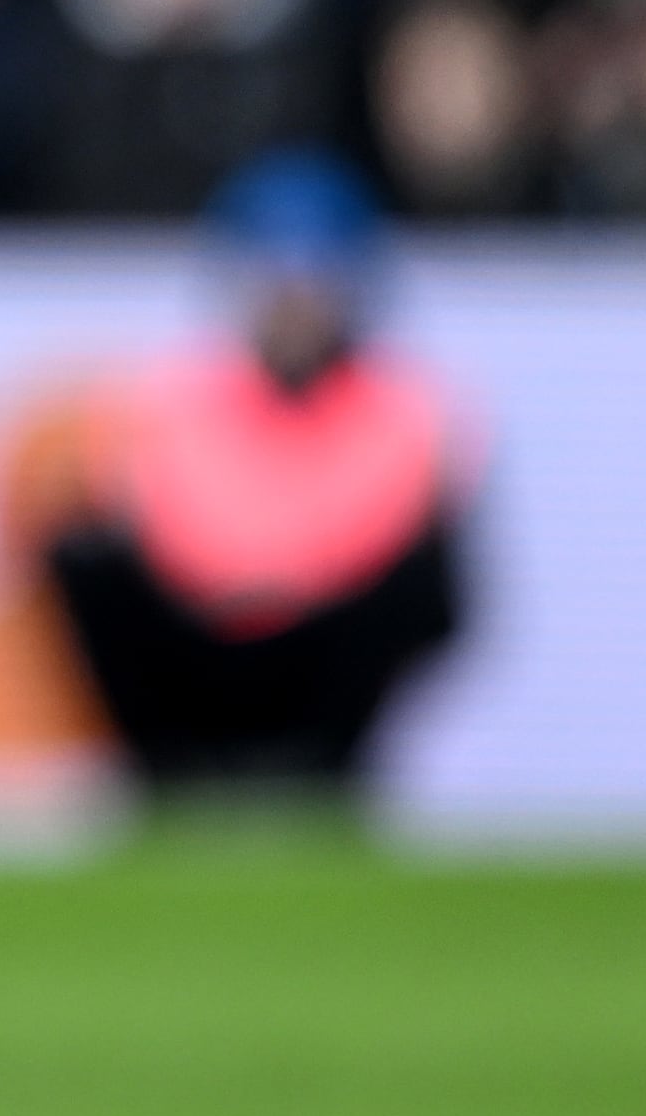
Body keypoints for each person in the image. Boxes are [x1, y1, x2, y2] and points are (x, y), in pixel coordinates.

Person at [41, 150, 466, 790]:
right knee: (80, 553)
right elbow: (145, 535)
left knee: (421, 581)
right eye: (276, 283)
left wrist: (286, 589)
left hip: (331, 653)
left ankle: (324, 766)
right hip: (190, 644)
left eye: (315, 283)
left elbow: (420, 584)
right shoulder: (166, 398)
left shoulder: (405, 408)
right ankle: (167, 768)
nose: (294, 307)